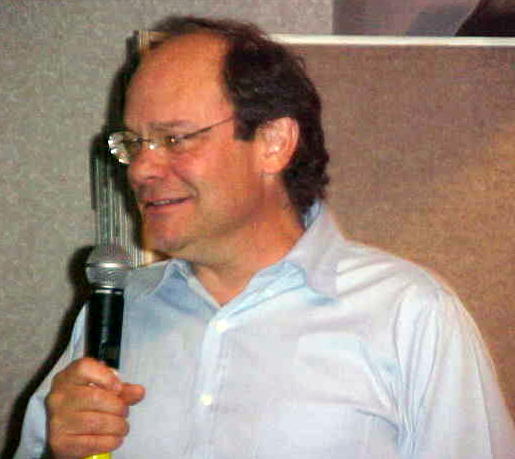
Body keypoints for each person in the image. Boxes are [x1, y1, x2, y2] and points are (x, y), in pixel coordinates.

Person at [14, 16, 514, 459]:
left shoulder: (409, 315)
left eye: (174, 139)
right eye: (133, 143)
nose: (141, 169)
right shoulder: (115, 313)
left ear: (273, 143)